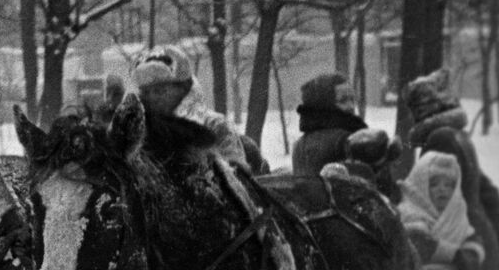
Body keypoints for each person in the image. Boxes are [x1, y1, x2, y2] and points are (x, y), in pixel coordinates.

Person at [406, 68, 499, 270]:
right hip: (478, 234)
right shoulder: (456, 136)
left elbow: (432, 193)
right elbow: (484, 191)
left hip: (458, 236)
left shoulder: (441, 139)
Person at [131, 48, 263, 171]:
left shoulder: (215, 125)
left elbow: (236, 178)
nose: (151, 97)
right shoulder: (139, 130)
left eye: (159, 90)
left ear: (182, 90)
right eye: (146, 92)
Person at [399, 151, 484, 270]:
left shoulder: (456, 216)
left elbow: (472, 238)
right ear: (420, 187)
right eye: (434, 184)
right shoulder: (409, 212)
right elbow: (419, 243)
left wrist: (473, 254)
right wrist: (455, 255)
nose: (442, 189)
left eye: (449, 185)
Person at [291, 72, 366, 176]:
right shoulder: (346, 140)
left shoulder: (299, 145)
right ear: (324, 105)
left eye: (352, 99)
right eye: (343, 100)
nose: (351, 106)